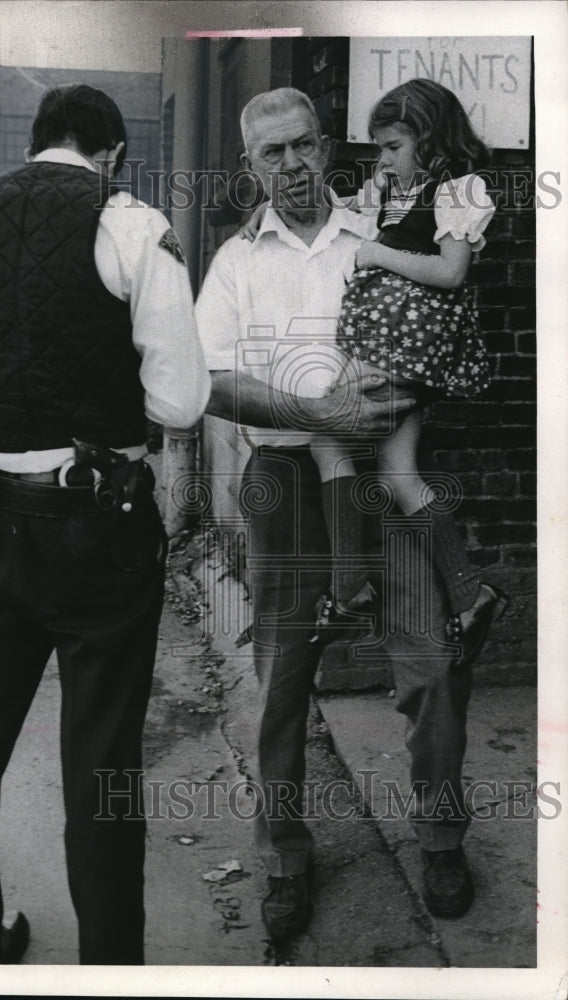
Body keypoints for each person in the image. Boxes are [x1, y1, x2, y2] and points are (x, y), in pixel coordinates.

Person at [0, 83, 210, 965]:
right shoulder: (132, 226)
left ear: (38, 142)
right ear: (111, 152)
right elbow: (181, 404)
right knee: (102, 760)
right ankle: (111, 965)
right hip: (98, 528)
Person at [196, 87, 477, 942]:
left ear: (327, 146)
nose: (291, 166)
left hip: (379, 481)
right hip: (284, 486)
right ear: (252, 167)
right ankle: (284, 856)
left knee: (430, 664)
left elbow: (448, 303)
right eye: (271, 153)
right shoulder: (237, 262)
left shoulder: (382, 230)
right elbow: (209, 383)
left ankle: (439, 839)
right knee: (282, 684)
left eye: (303, 146)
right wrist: (318, 415)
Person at [305, 78, 508, 669]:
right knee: (397, 471)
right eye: (379, 148)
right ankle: (471, 596)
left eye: (393, 145)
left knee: (327, 435)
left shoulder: (460, 189)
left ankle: (349, 589)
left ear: (430, 136)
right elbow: (341, 218)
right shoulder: (393, 186)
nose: (383, 158)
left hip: (407, 345)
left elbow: (451, 271)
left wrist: (376, 255)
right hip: (391, 342)